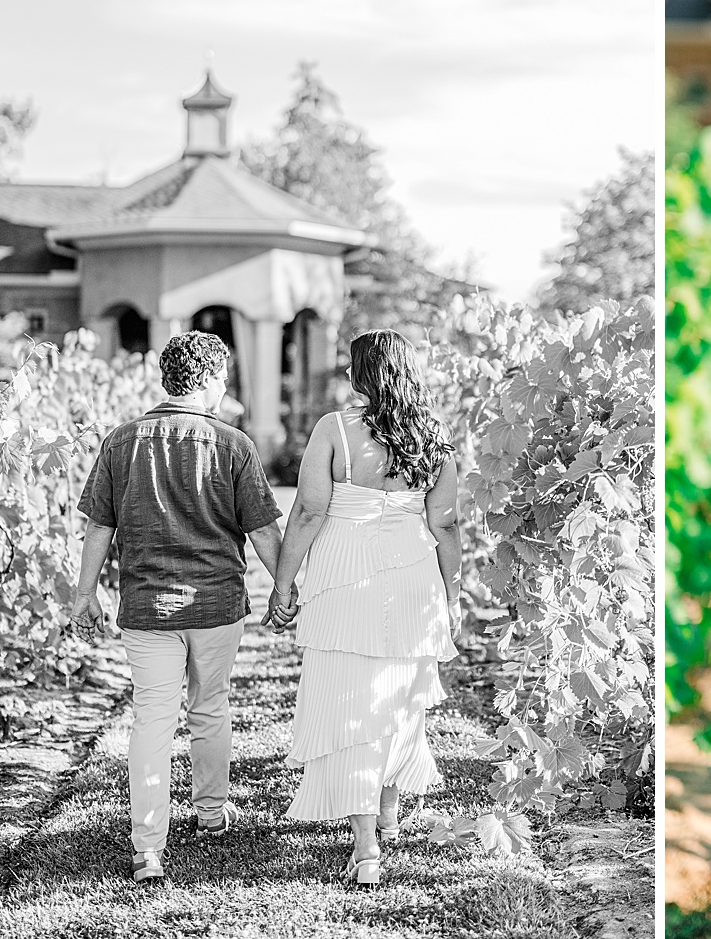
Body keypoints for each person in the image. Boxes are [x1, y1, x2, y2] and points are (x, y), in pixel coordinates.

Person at [69, 330, 286, 883]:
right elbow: (262, 530)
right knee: (209, 707)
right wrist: (286, 586)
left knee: (152, 720)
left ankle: (148, 849)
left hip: (146, 605)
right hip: (216, 604)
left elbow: (100, 525)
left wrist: (84, 593)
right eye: (224, 380)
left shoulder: (121, 441)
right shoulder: (233, 444)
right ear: (211, 379)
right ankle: (211, 815)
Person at [266, 329, 462, 886]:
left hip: (345, 571)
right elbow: (444, 524)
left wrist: (284, 585)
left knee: (352, 702)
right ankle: (387, 814)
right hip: (414, 574)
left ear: (360, 375)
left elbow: (307, 511)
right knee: (398, 698)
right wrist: (448, 591)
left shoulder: (335, 429)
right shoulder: (435, 439)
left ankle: (367, 847)